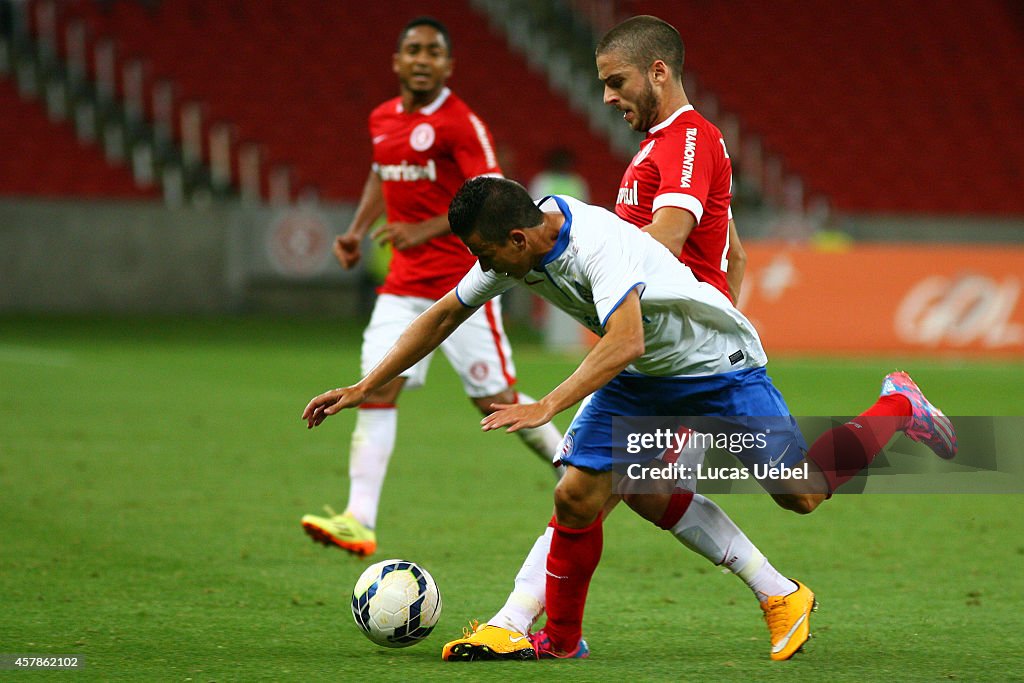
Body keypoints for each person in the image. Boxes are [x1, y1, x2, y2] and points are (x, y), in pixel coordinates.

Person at [442, 15, 797, 662]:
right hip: (656, 358)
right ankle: (527, 626)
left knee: (796, 491)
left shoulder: (689, 140)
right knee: (590, 486)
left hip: (684, 358)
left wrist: (709, 351)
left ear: (658, 72)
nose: (607, 96)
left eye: (615, 81)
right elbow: (734, 253)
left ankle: (895, 412)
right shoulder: (653, 150)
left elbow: (653, 252)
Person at [300, 17, 564, 558]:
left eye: (433, 52)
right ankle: (359, 518)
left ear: (448, 66)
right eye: (413, 50)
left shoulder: (460, 124)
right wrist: (355, 230)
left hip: (463, 287)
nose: (422, 59)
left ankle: (581, 468)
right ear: (397, 62)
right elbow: (382, 172)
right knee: (375, 386)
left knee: (497, 402)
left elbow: (495, 195)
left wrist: (422, 229)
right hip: (401, 287)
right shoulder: (381, 119)